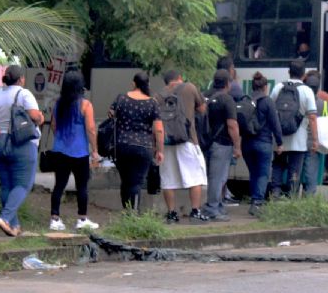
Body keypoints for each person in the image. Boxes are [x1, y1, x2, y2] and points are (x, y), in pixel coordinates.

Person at [0, 65, 44, 237]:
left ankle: (13, 226)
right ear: (21, 79)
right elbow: (34, 115)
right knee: (23, 184)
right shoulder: (24, 94)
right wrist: (41, 117)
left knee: (7, 185)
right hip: (21, 144)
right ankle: (5, 217)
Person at [48, 71, 100, 232]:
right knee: (82, 186)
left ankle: (55, 219)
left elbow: (53, 125)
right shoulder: (85, 105)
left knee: (59, 185)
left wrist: (62, 139)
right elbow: (91, 129)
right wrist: (95, 151)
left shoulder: (58, 103)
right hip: (80, 152)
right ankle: (82, 219)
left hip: (60, 150)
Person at [156, 70, 208, 223]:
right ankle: (195, 212)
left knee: (168, 179)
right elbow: (202, 109)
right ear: (179, 78)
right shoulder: (189, 88)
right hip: (188, 139)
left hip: (166, 142)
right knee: (195, 177)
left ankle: (172, 213)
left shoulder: (158, 96)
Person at [109, 72, 163, 211]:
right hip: (143, 147)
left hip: (122, 145)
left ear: (133, 83)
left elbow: (111, 113)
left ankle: (127, 212)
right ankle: (133, 215)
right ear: (148, 84)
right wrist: (160, 150)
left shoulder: (121, 98)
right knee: (136, 183)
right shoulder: (152, 103)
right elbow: (158, 129)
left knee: (126, 181)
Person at [269, 59, 318, 198]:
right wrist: (315, 140)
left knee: (278, 165)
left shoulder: (278, 87)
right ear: (304, 75)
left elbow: (271, 112)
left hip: (280, 139)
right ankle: (291, 197)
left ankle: (275, 194)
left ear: (289, 72)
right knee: (294, 169)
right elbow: (313, 118)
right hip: (299, 140)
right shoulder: (307, 91)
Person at [241, 72, 282, 215]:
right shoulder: (268, 101)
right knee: (263, 174)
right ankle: (257, 203)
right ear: (265, 87)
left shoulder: (246, 100)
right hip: (263, 142)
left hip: (246, 143)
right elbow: (275, 123)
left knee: (254, 173)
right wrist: (280, 142)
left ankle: (254, 200)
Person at [203, 69, 241, 221]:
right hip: (222, 142)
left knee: (214, 176)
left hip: (206, 142)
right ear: (227, 83)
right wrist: (237, 145)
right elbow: (232, 125)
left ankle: (217, 205)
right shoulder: (227, 100)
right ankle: (212, 208)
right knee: (218, 177)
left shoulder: (206, 97)